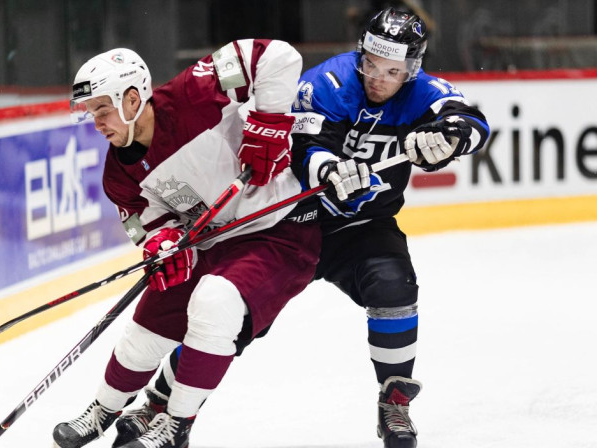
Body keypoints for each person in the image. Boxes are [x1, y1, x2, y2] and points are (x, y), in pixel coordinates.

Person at [109, 8, 490, 448]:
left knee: (395, 288)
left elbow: (471, 121)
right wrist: (328, 168)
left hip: (363, 227)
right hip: (292, 224)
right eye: (370, 64)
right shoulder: (329, 81)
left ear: (412, 69)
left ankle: (395, 402)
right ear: (360, 53)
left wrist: (451, 137)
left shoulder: (424, 93)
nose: (377, 78)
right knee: (232, 317)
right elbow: (304, 144)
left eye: (393, 71)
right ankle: (161, 401)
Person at [52, 40, 325, 448]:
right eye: (91, 113)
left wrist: (267, 122)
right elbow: (149, 224)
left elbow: (277, 56)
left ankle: (175, 425)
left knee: (214, 303)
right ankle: (104, 409)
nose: (97, 123)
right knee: (149, 321)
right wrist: (162, 243)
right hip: (209, 241)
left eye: (102, 109)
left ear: (132, 99)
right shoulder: (117, 174)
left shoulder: (193, 93)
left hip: (277, 230)